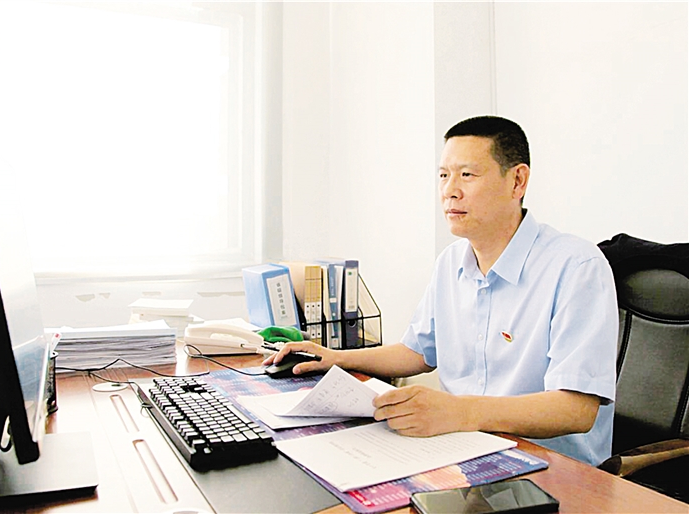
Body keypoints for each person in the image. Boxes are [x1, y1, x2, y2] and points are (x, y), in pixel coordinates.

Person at [263, 115, 618, 466]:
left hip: (551, 469)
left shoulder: (576, 266)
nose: (450, 191)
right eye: (444, 175)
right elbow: (416, 352)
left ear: (517, 181)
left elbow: (576, 409)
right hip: (463, 449)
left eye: (467, 175)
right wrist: (336, 357)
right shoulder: (451, 262)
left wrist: (459, 412)